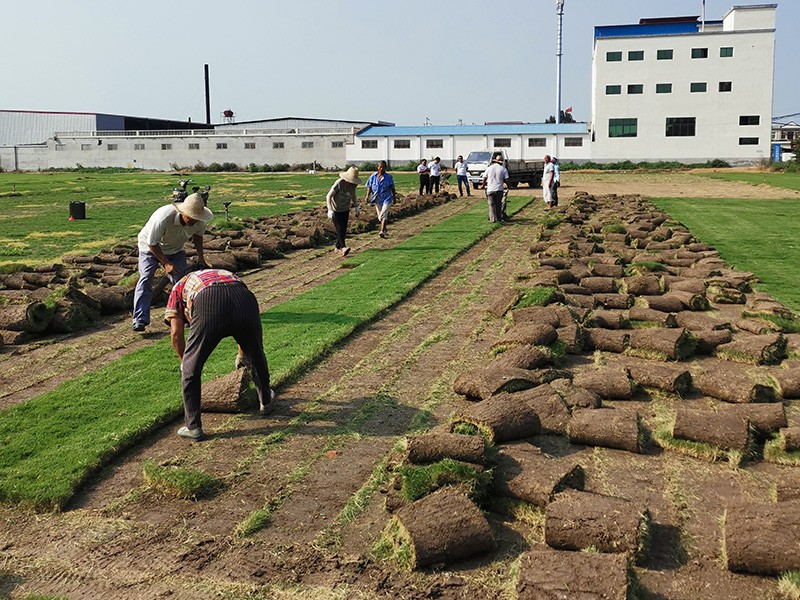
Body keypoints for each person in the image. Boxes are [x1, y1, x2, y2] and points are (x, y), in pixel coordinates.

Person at [164, 268, 275, 440]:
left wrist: (185, 363)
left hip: (209, 300)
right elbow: (240, 323)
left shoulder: (179, 286)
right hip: (243, 296)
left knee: (190, 367)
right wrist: (243, 355)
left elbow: (176, 333)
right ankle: (266, 401)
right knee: (256, 352)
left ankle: (193, 426)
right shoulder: (226, 273)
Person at [132, 192, 212, 332]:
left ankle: (183, 317)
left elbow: (198, 237)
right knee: (146, 278)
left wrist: (201, 258)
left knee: (182, 282)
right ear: (183, 212)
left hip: (175, 249)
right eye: (191, 217)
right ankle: (140, 319)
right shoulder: (164, 217)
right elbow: (152, 242)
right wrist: (166, 263)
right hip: (149, 247)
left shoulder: (199, 222)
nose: (194, 221)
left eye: (196, 218)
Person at [325, 166, 361, 256]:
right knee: (339, 228)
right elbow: (328, 196)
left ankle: (337, 248)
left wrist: (356, 207)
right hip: (335, 209)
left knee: (343, 230)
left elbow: (353, 195)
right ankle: (343, 247)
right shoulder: (339, 183)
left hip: (345, 209)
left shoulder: (353, 185)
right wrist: (329, 209)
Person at [364, 160, 397, 238]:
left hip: (387, 198)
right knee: (380, 217)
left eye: (383, 167)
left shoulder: (388, 177)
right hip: (377, 198)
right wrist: (367, 196)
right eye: (380, 167)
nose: (381, 169)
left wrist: (394, 197)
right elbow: (370, 186)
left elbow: (392, 188)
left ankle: (381, 231)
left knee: (383, 214)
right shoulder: (373, 176)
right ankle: (385, 230)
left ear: (385, 168)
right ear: (378, 167)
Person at [480, 152, 509, 223]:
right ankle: (498, 218)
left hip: (490, 189)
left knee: (491, 204)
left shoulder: (489, 168)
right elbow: (507, 179)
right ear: (501, 162)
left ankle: (492, 219)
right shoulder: (503, 169)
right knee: (498, 204)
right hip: (499, 189)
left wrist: (483, 185)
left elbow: (484, 178)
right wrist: (509, 186)